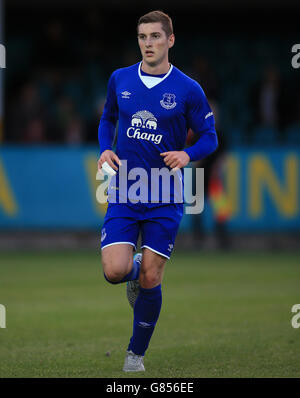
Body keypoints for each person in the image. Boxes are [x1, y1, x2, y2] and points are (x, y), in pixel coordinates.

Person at [97, 10, 218, 372]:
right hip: (125, 188)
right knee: (114, 271)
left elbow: (210, 137)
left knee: (153, 277)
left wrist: (188, 153)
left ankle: (135, 356)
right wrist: (105, 147)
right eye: (142, 37)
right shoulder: (120, 79)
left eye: (154, 36)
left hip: (165, 193)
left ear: (170, 40)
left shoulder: (188, 88)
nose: (148, 43)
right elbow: (108, 118)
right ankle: (134, 267)